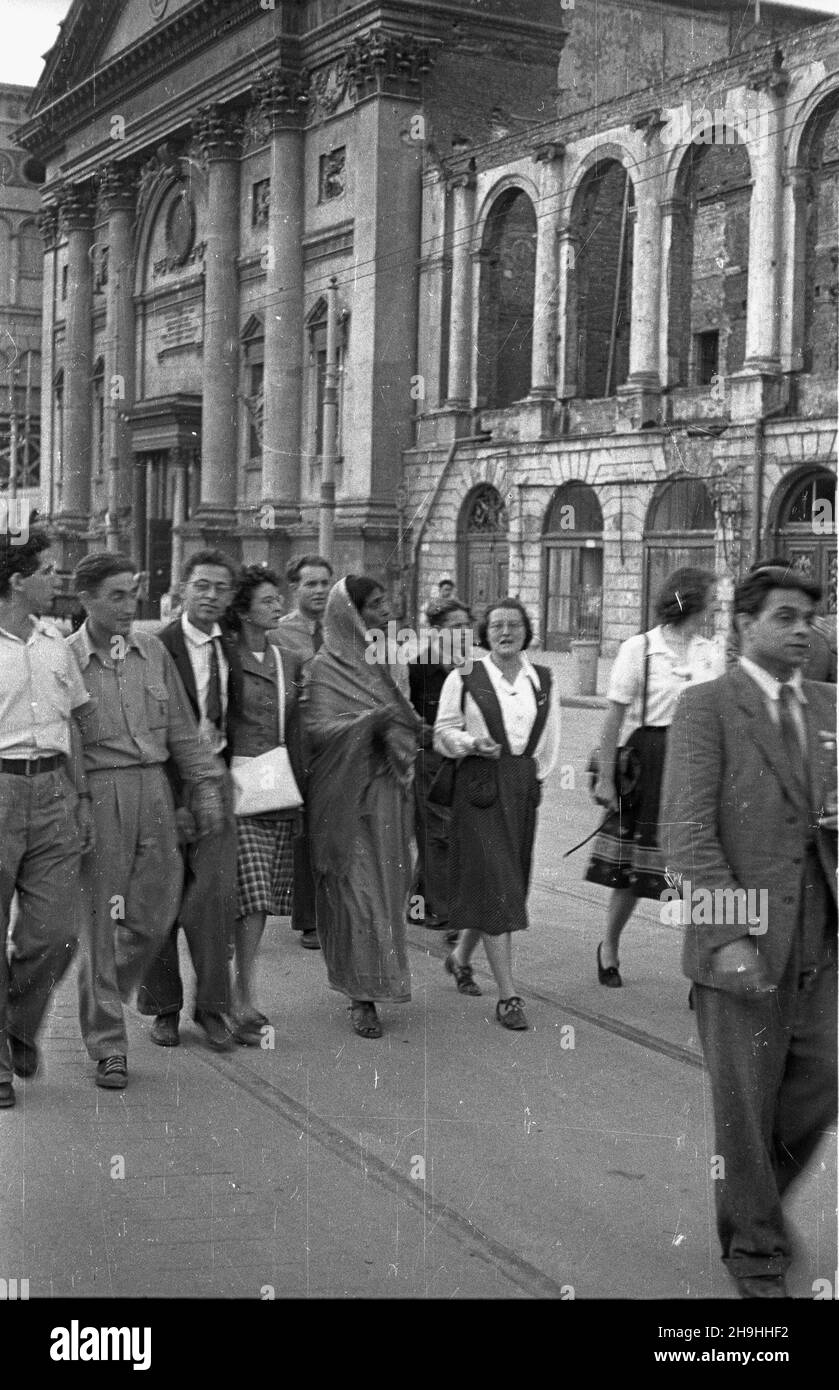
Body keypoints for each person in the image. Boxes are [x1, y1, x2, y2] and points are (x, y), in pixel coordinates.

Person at [661, 565, 837, 1299]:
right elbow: (686, 833)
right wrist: (728, 935)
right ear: (744, 624)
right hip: (744, 940)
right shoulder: (705, 707)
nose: (804, 631)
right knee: (744, 1107)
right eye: (787, 617)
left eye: (811, 618)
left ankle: (752, 1203)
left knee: (824, 1076)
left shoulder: (831, 705)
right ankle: (756, 1256)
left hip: (822, 938)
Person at [68, 554, 225, 1090]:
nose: (127, 605)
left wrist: (205, 786)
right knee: (99, 923)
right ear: (84, 598)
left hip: (154, 790)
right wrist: (78, 808)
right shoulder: (66, 661)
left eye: (131, 593)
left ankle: (105, 985)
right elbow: (65, 746)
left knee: (158, 913)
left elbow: (182, 731)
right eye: (114, 595)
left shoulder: (152, 649)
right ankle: (109, 1044)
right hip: (101, 792)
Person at [586, 568, 722, 987]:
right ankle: (609, 946)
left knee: (698, 873)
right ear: (691, 601)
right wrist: (607, 779)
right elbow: (614, 718)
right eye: (712, 599)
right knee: (632, 869)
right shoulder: (639, 648)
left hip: (698, 762)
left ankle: (700, 971)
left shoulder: (711, 652)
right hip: (652, 761)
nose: (716, 606)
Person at [434, 597, 560, 1030]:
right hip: (479, 787)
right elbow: (442, 733)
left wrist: (534, 778)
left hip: (522, 787)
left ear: (527, 631)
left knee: (508, 881)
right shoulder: (465, 676)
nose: (505, 632)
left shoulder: (542, 678)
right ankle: (508, 996)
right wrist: (470, 744)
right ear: (484, 634)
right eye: (496, 626)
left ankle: (460, 957)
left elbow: (550, 740)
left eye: (513, 625)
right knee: (497, 883)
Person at [303, 576, 421, 1040]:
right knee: (358, 892)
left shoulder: (389, 663)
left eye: (385, 603)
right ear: (349, 613)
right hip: (343, 798)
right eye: (373, 605)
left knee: (389, 890)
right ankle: (361, 996)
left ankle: (379, 980)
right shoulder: (321, 669)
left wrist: (402, 733)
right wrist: (369, 722)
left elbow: (407, 720)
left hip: (389, 794)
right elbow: (315, 730)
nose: (384, 612)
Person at [0, 526, 92, 1109]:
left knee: (59, 932)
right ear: (16, 581)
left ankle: (17, 1026)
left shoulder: (56, 641)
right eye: (46, 572)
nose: (55, 581)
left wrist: (79, 797)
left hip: (54, 790)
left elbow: (76, 724)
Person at [137, 550, 240, 1052]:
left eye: (221, 588)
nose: (212, 596)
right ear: (182, 589)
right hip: (166, 785)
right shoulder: (156, 646)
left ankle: (213, 1009)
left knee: (214, 903)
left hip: (217, 786)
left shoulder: (234, 649)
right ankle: (164, 1008)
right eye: (202, 586)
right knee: (160, 901)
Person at [226, 565, 305, 1043]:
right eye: (268, 600)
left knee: (258, 902)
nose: (279, 605)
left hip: (274, 786)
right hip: (232, 788)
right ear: (243, 611)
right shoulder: (225, 657)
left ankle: (242, 989)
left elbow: (298, 725)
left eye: (280, 599)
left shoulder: (289, 660)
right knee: (249, 894)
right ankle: (237, 998)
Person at [272, 554, 334, 951]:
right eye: (310, 584)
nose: (319, 590)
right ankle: (308, 917)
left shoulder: (343, 631)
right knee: (300, 828)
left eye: (325, 583)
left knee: (330, 826)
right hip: (297, 739)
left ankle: (328, 911)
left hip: (336, 740)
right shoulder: (278, 634)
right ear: (293, 589)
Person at [408, 598, 473, 934]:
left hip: (463, 758)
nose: (463, 633)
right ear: (435, 632)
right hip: (429, 758)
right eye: (455, 627)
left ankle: (419, 904)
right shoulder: (419, 668)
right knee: (437, 832)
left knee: (448, 830)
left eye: (466, 626)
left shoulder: (472, 668)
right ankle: (440, 909)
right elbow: (408, 714)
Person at [726, 556, 836, 682]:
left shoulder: (825, 636)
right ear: (747, 624)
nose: (802, 630)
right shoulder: (739, 634)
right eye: (785, 618)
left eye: (807, 619)